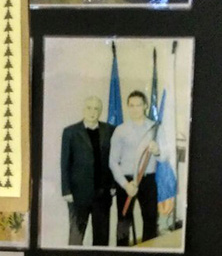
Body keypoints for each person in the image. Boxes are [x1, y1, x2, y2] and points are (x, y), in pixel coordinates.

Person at [109, 91, 170, 246]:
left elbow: (164, 157)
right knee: (123, 221)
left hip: (148, 180)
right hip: (127, 181)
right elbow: (113, 162)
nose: (135, 109)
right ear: (128, 107)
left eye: (138, 105)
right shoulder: (120, 130)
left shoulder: (155, 128)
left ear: (145, 106)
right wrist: (125, 185)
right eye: (131, 105)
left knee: (150, 220)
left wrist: (157, 151)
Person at [60, 96, 115, 247]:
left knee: (102, 238)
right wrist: (66, 190)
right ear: (83, 109)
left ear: (100, 111)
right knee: (76, 237)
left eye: (96, 108)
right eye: (89, 108)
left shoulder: (110, 130)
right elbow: (65, 163)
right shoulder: (70, 132)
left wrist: (112, 185)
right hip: (78, 195)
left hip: (102, 194)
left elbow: (114, 159)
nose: (92, 112)